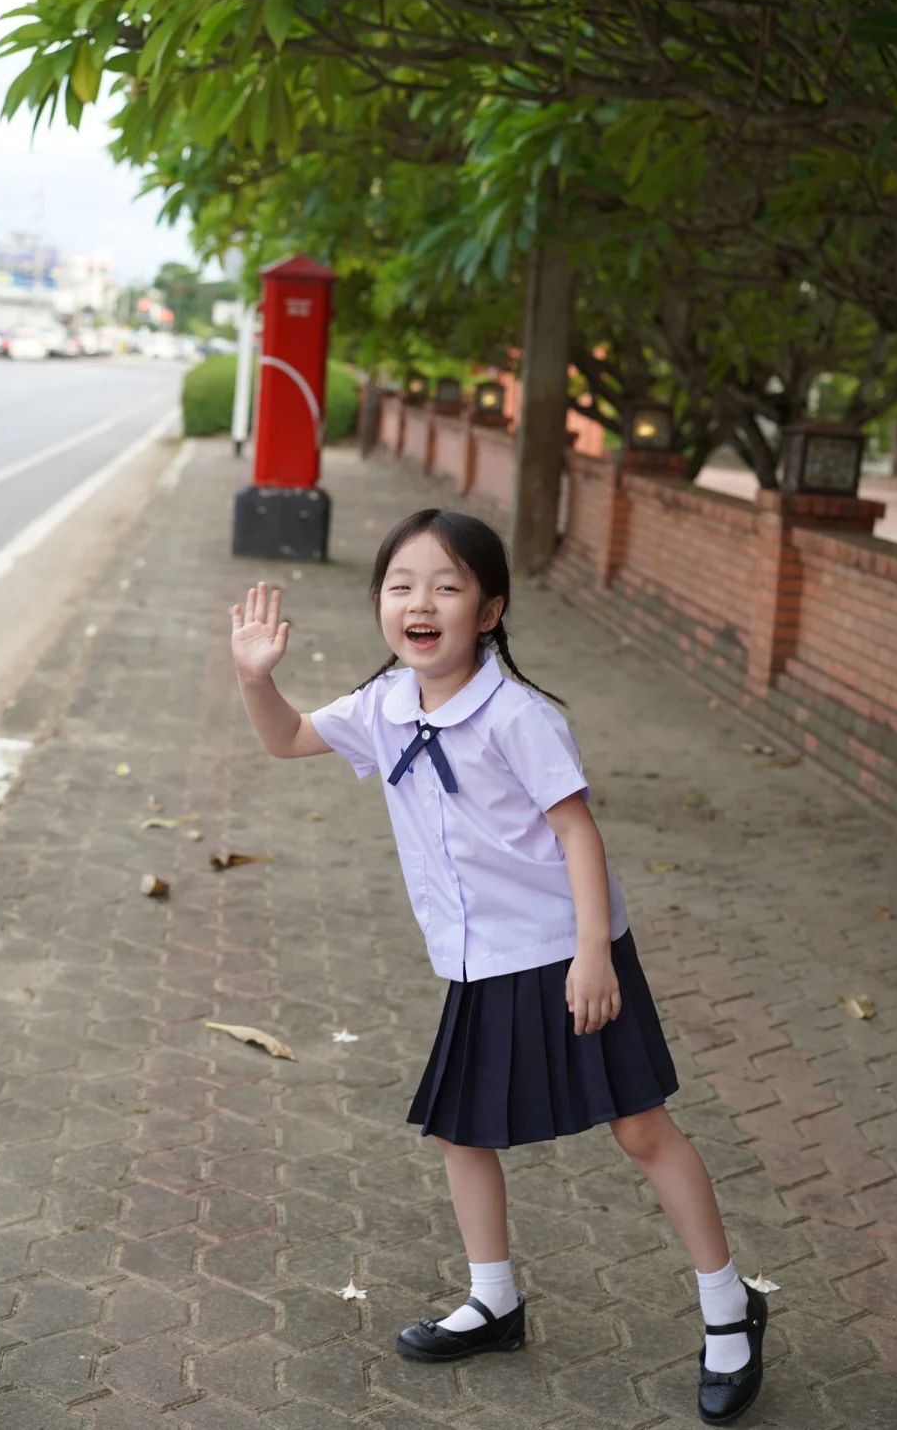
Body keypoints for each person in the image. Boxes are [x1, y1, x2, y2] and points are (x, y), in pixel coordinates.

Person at [231, 508, 768, 1424]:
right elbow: (284, 740)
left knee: (639, 1131)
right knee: (460, 1131)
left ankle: (731, 1312)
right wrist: (256, 680)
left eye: (446, 585)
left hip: (566, 950)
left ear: (488, 611)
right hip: (479, 963)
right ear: (380, 606)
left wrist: (594, 956)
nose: (420, 602)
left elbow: (577, 832)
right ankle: (495, 1301)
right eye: (401, 586)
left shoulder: (520, 716)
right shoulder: (384, 705)